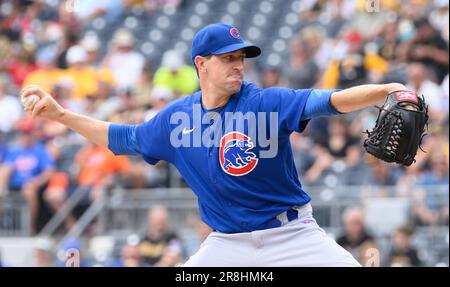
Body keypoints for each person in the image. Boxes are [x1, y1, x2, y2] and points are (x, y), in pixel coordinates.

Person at [21, 23, 415, 267]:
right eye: (227, 58)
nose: (238, 65)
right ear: (201, 64)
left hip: (294, 237)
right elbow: (122, 138)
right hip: (227, 244)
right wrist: (61, 116)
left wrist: (385, 89)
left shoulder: (265, 101)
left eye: (241, 57)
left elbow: (329, 100)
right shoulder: (176, 119)